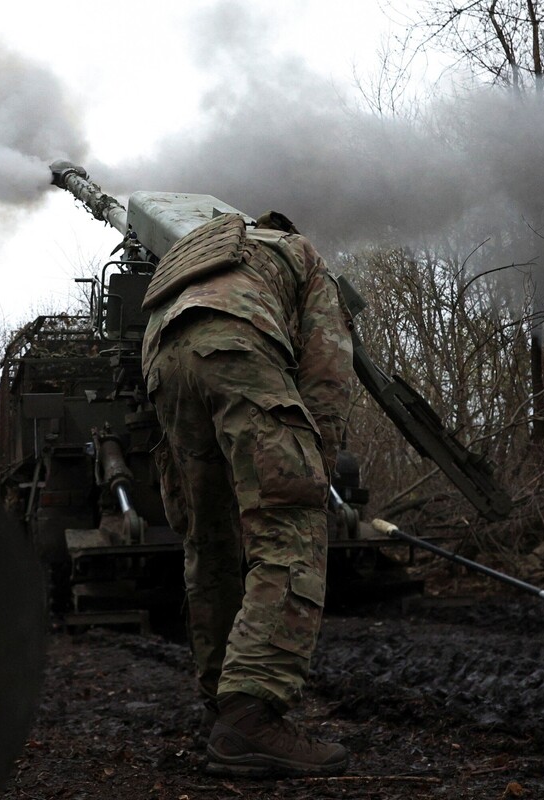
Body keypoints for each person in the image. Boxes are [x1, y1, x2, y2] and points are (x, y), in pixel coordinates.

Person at [140, 209, 355, 777]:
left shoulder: (203, 253)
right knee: (288, 526)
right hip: (238, 343)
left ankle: (222, 705)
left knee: (208, 541)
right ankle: (251, 715)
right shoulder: (300, 255)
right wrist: (313, 471)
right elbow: (329, 371)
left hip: (160, 355)